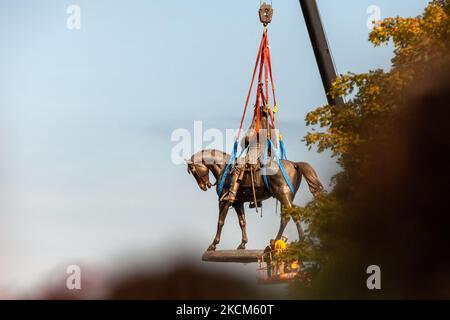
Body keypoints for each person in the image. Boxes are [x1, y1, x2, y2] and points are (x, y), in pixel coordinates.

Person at [220, 106, 272, 204]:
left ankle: (231, 194)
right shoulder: (270, 126)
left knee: (238, 167)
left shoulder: (256, 124)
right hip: (267, 155)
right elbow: (275, 144)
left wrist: (245, 139)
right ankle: (257, 198)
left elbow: (247, 141)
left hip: (254, 153)